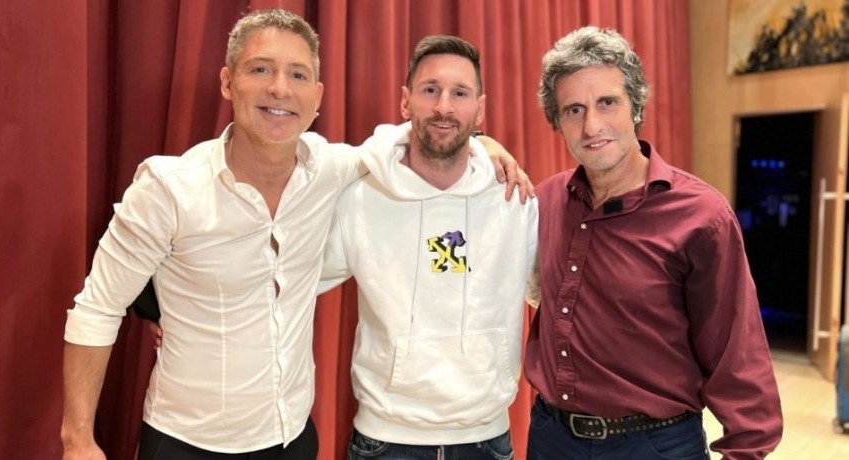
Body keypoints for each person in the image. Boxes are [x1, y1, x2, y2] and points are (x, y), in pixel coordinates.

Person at [60, 9, 526, 460]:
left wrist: (481, 143)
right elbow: (97, 309)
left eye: (298, 75)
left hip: (291, 440)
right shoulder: (169, 186)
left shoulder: (333, 169)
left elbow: (412, 142)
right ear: (227, 81)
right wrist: (78, 440)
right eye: (260, 69)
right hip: (186, 439)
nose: (280, 88)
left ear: (317, 95)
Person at [524, 26, 783, 460]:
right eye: (574, 109)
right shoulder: (544, 201)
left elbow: (736, 347)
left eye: (607, 102)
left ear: (636, 106)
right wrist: (481, 144)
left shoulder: (702, 216)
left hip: (655, 444)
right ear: (557, 122)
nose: (592, 125)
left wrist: (746, 449)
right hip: (552, 439)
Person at [317, 36, 539, 460]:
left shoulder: (514, 198)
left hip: (486, 440)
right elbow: (292, 282)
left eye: (460, 93)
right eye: (430, 90)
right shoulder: (361, 198)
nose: (443, 107)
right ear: (405, 101)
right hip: (385, 441)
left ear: (480, 109)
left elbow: (552, 296)